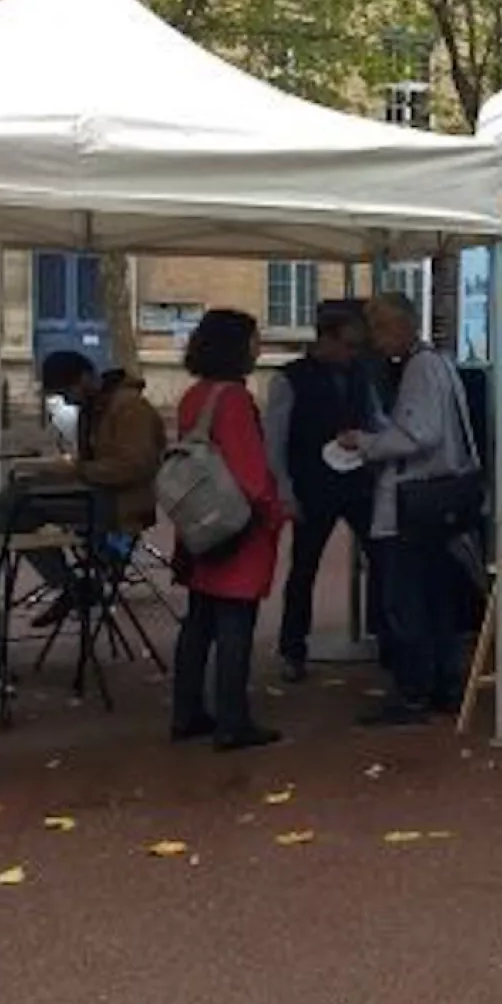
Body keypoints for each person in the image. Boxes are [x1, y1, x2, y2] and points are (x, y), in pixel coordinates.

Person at [337, 291, 480, 726]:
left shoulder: (418, 368)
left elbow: (420, 434)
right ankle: (444, 682)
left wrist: (366, 444)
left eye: (379, 331)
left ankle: (413, 690)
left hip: (412, 502)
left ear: (398, 326)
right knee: (436, 596)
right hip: (439, 499)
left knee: (407, 600)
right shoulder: (439, 363)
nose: (375, 343)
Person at [170, 310, 288, 751]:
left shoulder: (193, 395)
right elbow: (250, 472)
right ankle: (232, 720)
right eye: (255, 340)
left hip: (201, 519)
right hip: (237, 523)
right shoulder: (234, 398)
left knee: (199, 619)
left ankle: (187, 710)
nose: (259, 348)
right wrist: (275, 510)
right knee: (236, 620)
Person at [0, 349, 165, 624]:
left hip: (123, 504)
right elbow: (90, 467)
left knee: (17, 505)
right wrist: (56, 473)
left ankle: (72, 586)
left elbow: (135, 467)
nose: (67, 400)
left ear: (85, 378)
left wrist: (76, 470)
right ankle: (73, 587)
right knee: (18, 500)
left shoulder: (131, 408)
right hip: (97, 494)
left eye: (67, 392)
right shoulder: (91, 410)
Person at [267, 306, 378, 681]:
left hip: (359, 480)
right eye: (347, 345)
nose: (353, 353)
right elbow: (275, 441)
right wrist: (284, 490)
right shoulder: (289, 379)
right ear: (325, 339)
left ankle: (390, 638)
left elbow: (375, 419)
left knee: (382, 555)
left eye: (357, 346)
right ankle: (292, 648)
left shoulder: (361, 373)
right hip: (313, 484)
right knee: (304, 566)